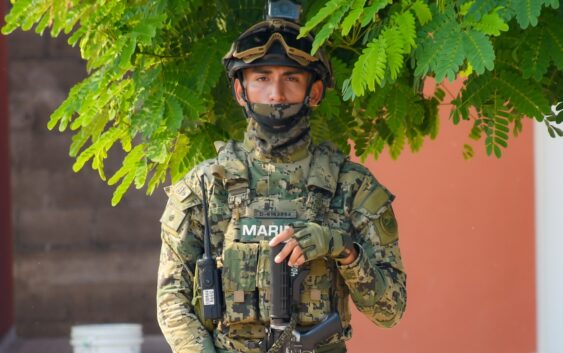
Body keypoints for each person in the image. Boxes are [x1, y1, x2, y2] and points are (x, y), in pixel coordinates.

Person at [157, 14, 406, 353]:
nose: (276, 94)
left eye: (291, 78)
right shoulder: (205, 187)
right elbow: (172, 299)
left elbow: (390, 311)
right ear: (240, 90)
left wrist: (342, 250)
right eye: (262, 78)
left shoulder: (351, 187)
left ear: (314, 91)